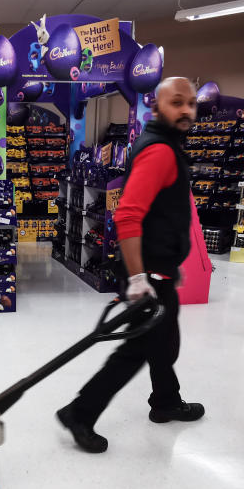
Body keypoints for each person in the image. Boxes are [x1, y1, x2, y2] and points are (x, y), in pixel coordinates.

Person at [57, 76, 205, 454]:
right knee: (137, 350)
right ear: (157, 107)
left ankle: (166, 401)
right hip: (148, 276)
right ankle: (80, 412)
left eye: (191, 103)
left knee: (163, 342)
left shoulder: (166, 145)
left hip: (158, 270)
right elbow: (127, 216)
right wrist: (140, 279)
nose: (186, 110)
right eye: (177, 102)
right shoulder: (160, 151)